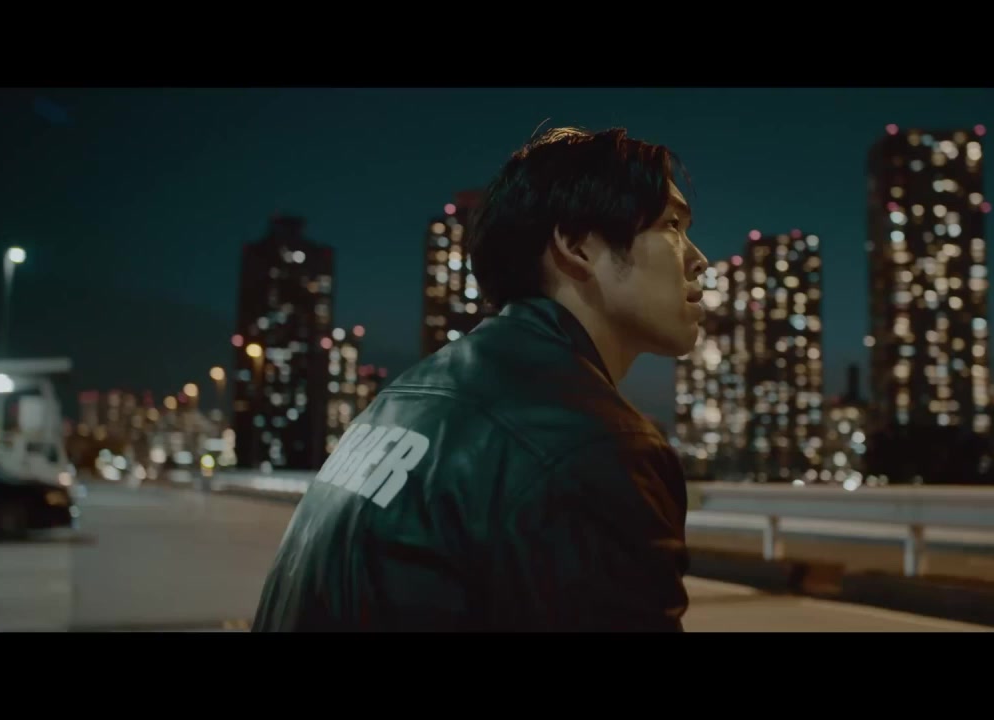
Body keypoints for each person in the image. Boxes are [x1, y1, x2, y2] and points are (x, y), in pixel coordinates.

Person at [251, 127, 709, 631]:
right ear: (577, 244)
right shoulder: (592, 448)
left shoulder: (403, 400)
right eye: (672, 225)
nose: (698, 259)